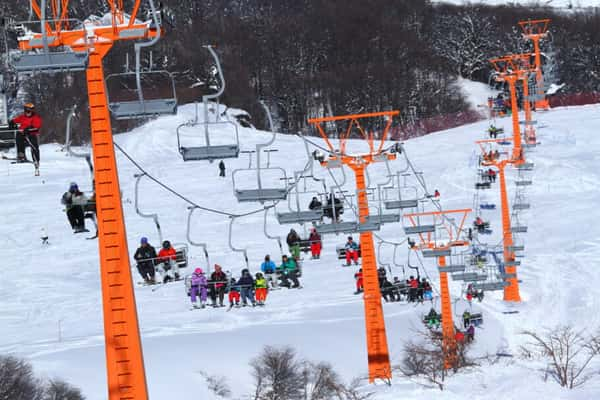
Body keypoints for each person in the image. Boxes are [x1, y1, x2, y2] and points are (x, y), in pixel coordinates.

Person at [11, 102, 42, 166]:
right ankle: (21, 155)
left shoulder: (36, 117)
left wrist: (29, 129)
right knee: (19, 138)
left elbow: (37, 126)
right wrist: (11, 123)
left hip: (31, 134)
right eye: (26, 110)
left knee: (33, 145)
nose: (27, 113)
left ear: (32, 110)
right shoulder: (22, 117)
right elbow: (15, 120)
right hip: (22, 133)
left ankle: (36, 159)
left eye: (29, 111)